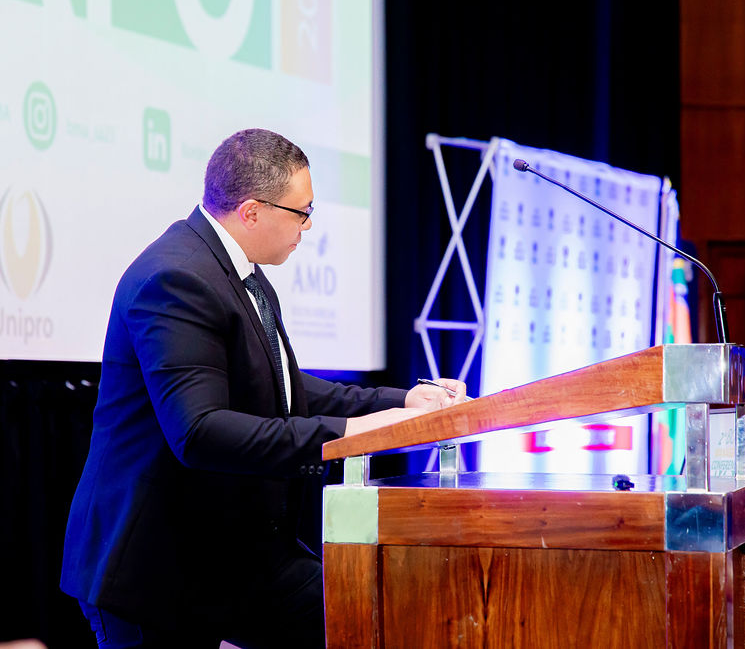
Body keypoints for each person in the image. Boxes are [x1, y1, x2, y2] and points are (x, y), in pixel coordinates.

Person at [60, 128, 466, 648]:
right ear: (251, 212)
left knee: (367, 617)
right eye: (302, 212)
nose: (308, 225)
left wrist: (404, 402)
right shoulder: (176, 278)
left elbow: (283, 389)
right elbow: (200, 432)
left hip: (236, 552)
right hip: (154, 566)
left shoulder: (241, 271)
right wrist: (351, 433)